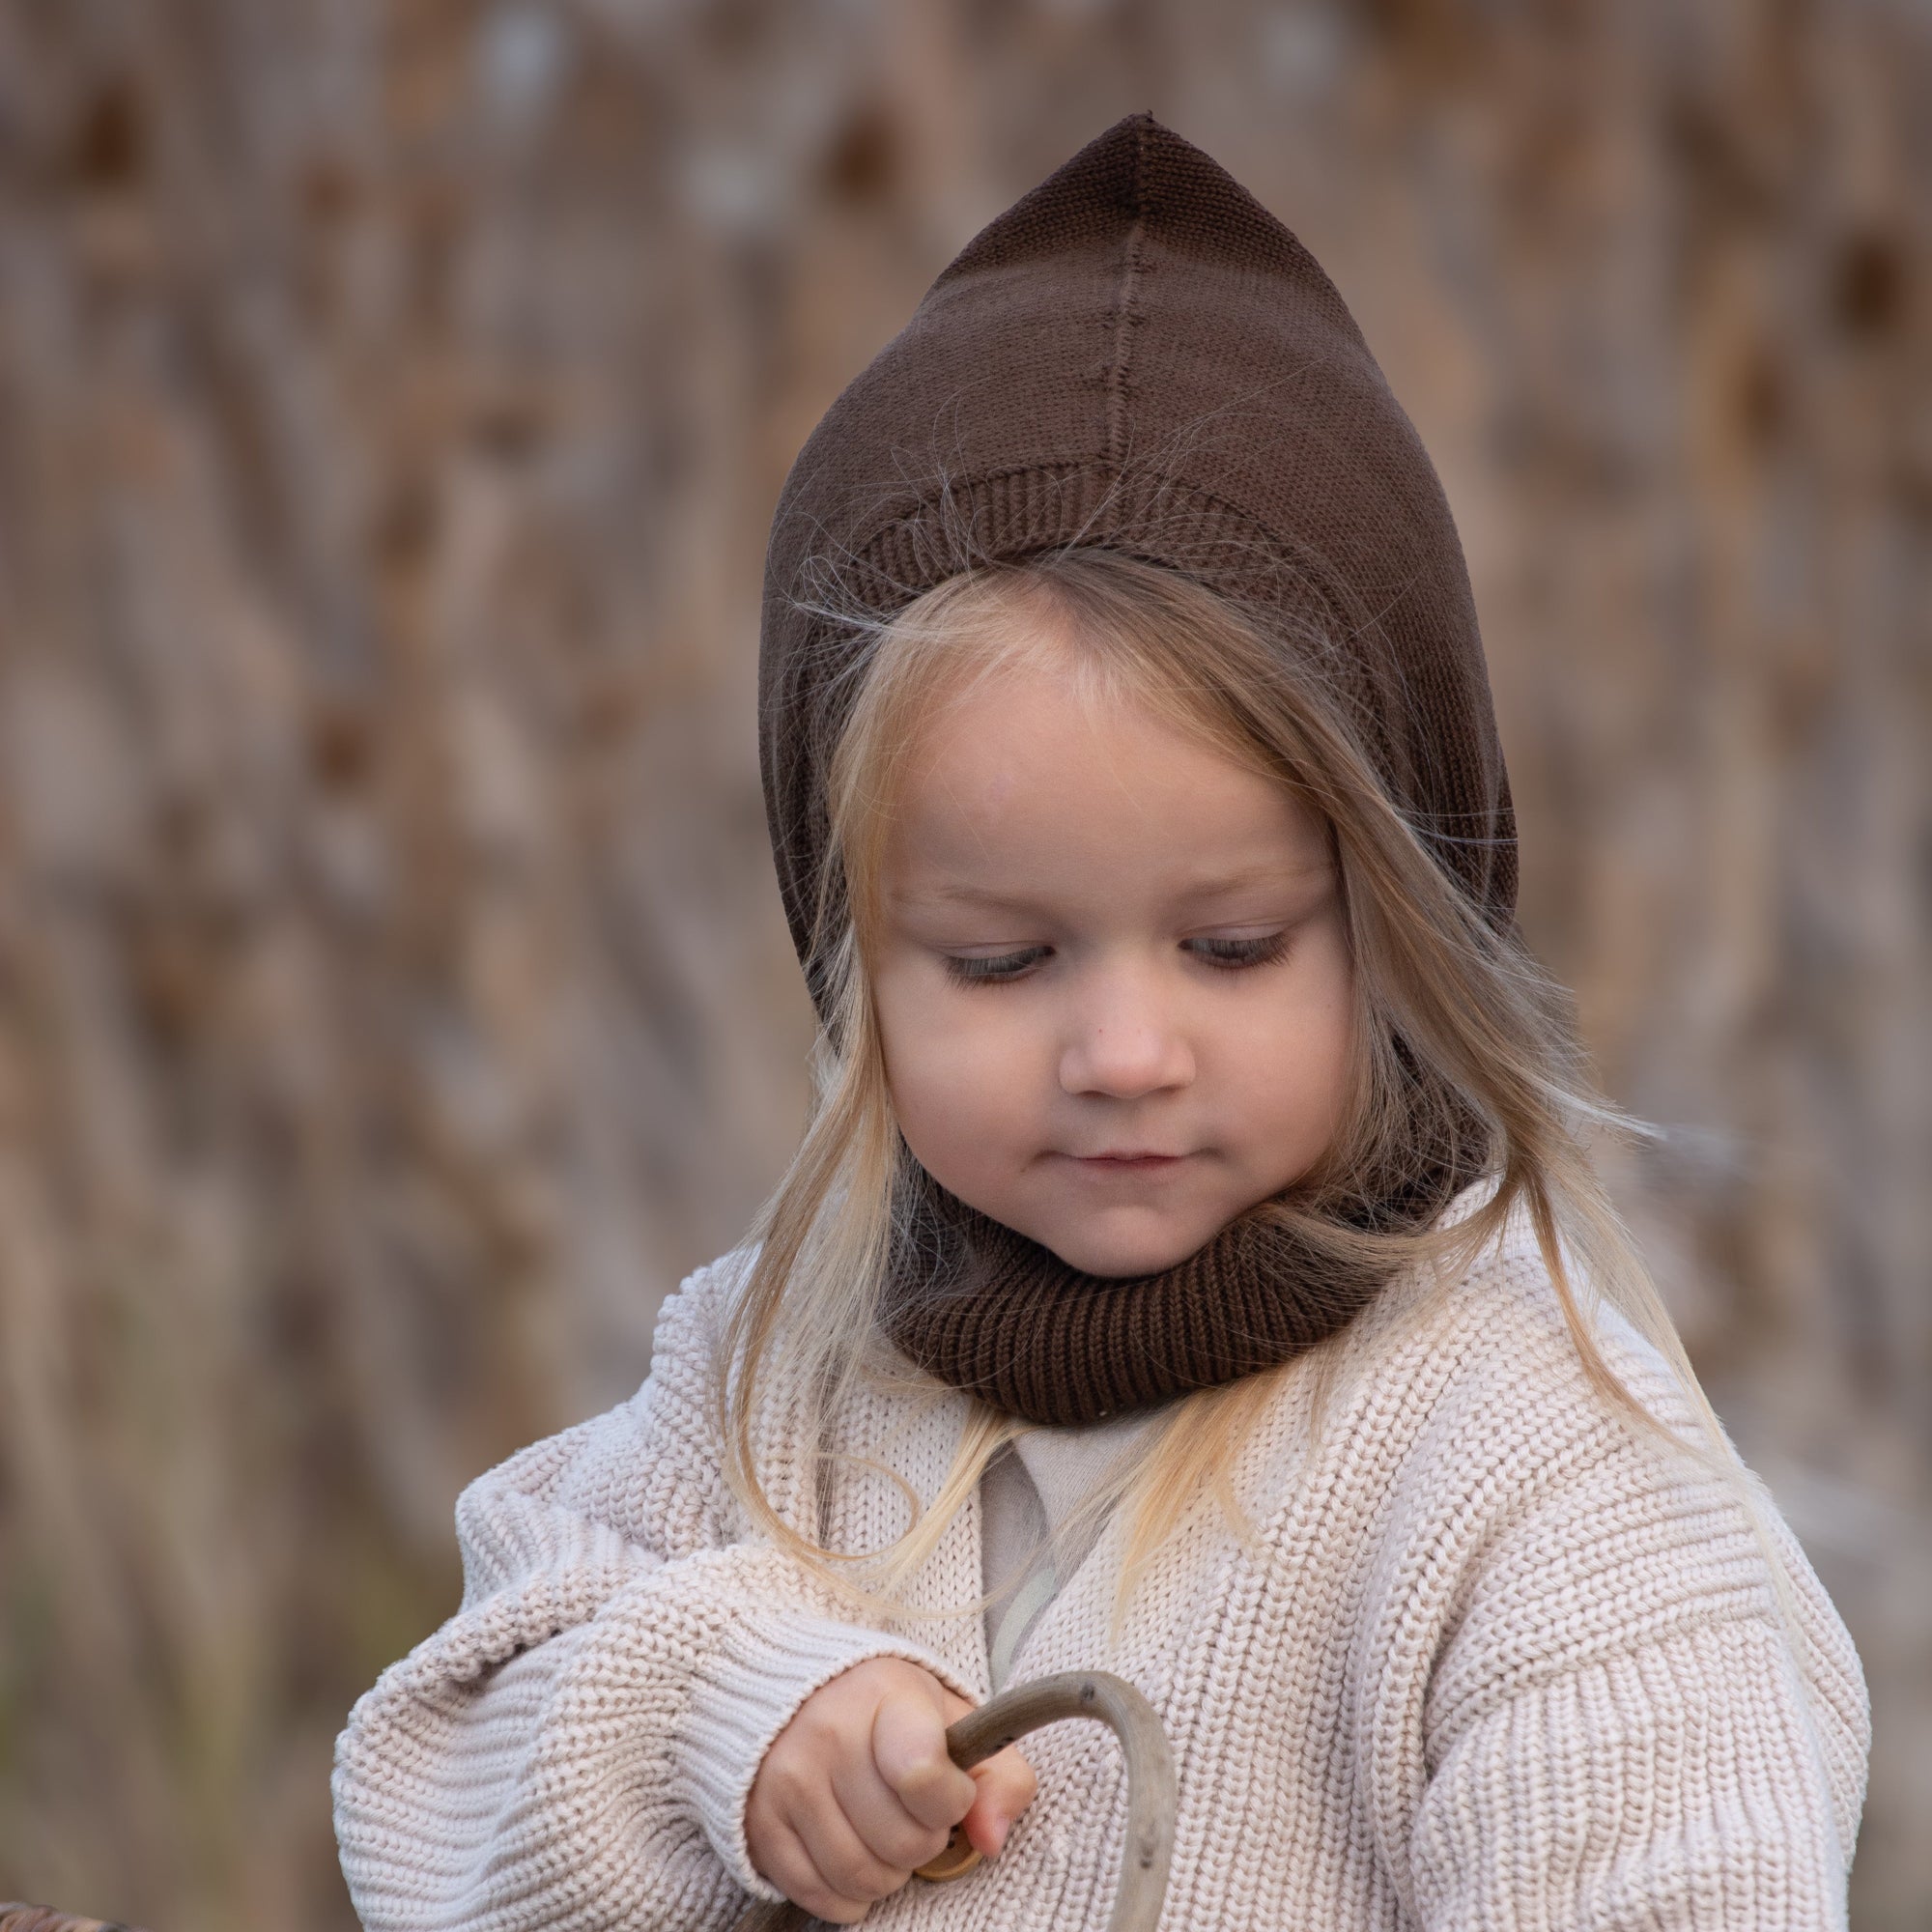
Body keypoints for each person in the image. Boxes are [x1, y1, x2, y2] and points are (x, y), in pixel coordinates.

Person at [332, 113, 1868, 1931]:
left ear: (1395, 928)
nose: (1124, 1052)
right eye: (1002, 962)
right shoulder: (779, 1371)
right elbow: (435, 1781)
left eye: (1230, 948)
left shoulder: (1533, 1461)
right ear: (854, 956)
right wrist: (734, 1726)